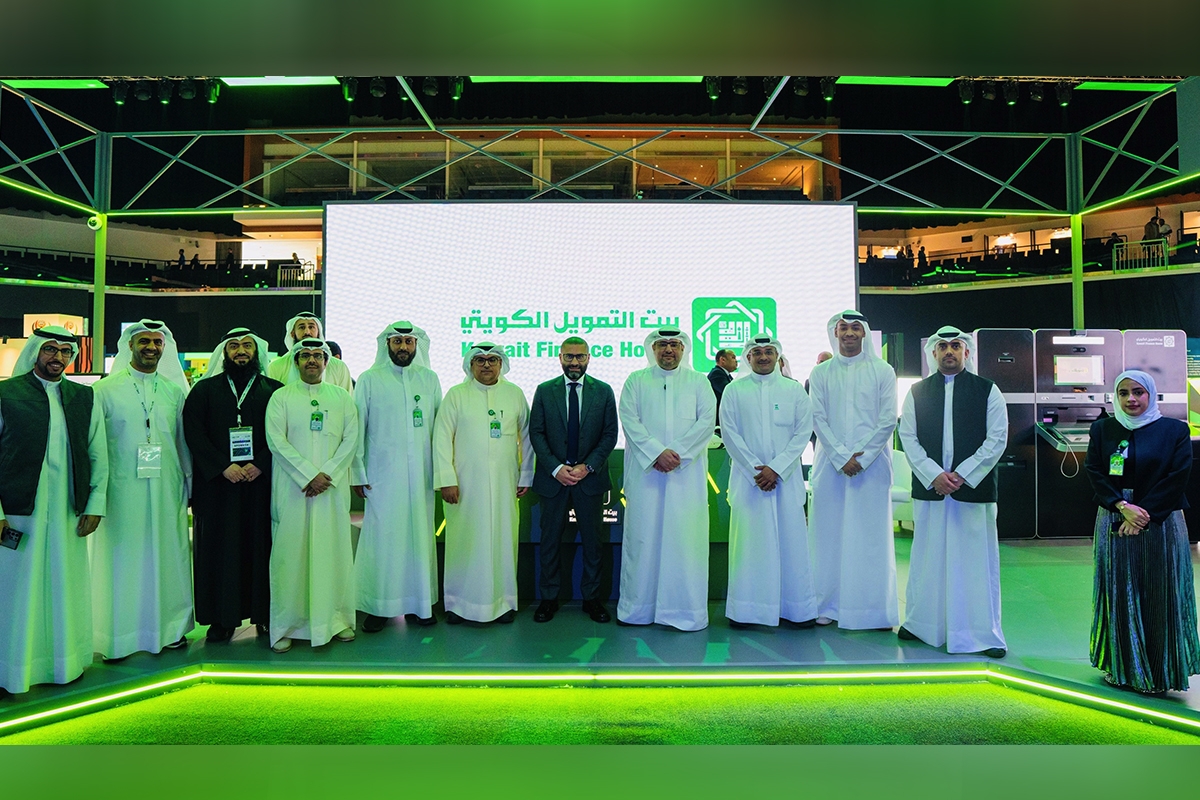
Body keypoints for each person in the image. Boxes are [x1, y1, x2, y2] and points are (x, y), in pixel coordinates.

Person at [0, 326, 107, 695]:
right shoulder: (7, 394)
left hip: (67, 511)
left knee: (66, 584)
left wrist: (94, 505)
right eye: (50, 349)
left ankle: (65, 663)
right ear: (35, 352)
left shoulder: (84, 397)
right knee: (16, 588)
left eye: (65, 351)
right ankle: (13, 669)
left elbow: (98, 454)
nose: (57, 357)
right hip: (18, 512)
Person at [1085, 370, 1200, 694]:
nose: (1131, 399)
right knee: (1118, 588)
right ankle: (1121, 667)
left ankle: (1159, 672)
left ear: (1151, 394)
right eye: (1123, 393)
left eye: (1138, 392)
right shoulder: (1103, 429)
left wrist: (1142, 515)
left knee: (1159, 590)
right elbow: (1095, 470)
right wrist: (1122, 506)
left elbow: (1178, 475)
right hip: (1115, 516)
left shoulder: (1174, 430)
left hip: (1161, 520)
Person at [897, 326, 1008, 658]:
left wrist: (961, 475)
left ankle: (982, 633)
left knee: (975, 562)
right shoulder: (917, 392)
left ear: (966, 352)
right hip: (931, 488)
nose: (949, 351)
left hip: (972, 489)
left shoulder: (987, 390)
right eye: (943, 346)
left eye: (955, 346)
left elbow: (997, 438)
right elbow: (908, 437)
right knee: (928, 557)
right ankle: (922, 624)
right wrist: (934, 475)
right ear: (933, 353)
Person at [91, 320, 194, 660]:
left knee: (167, 557)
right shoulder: (105, 390)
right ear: (130, 346)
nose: (151, 347)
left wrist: (189, 485)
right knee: (123, 559)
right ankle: (118, 637)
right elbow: (96, 445)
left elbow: (183, 444)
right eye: (144, 341)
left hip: (167, 488)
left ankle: (170, 630)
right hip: (121, 490)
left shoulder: (174, 391)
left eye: (157, 342)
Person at [182, 327, 282, 643]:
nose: (241, 351)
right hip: (218, 487)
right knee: (219, 551)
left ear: (257, 352)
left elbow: (283, 435)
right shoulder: (203, 390)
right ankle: (222, 619)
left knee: (261, 548)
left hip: (260, 485)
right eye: (234, 346)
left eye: (247, 346)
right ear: (224, 353)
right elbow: (193, 433)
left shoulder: (275, 391)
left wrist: (260, 463)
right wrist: (223, 467)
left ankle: (264, 615)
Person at [617, 328, 717, 631]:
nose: (669, 350)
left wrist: (678, 455)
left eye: (674, 345)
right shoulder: (636, 381)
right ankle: (638, 609)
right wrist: (656, 453)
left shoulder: (699, 382)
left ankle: (685, 612)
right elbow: (629, 420)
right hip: (647, 475)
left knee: (685, 541)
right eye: (662, 345)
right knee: (643, 539)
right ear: (653, 349)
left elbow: (707, 422)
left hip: (686, 478)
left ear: (683, 349)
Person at [265, 338, 359, 653]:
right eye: (305, 356)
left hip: (330, 491)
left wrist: (326, 474)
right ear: (296, 362)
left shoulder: (342, 397)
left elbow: (351, 439)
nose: (312, 361)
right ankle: (288, 625)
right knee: (291, 556)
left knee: (333, 553)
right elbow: (276, 440)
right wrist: (308, 475)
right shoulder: (281, 397)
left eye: (318, 356)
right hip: (294, 491)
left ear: (326, 362)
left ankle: (337, 620)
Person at [807, 310, 898, 630]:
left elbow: (888, 418)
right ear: (835, 333)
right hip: (830, 466)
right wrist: (840, 456)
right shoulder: (821, 373)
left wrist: (863, 456)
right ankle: (827, 605)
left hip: (871, 468)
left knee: (870, 538)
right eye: (843, 328)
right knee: (828, 536)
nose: (848, 333)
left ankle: (872, 610)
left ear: (864, 333)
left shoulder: (882, 370)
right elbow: (817, 417)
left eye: (855, 328)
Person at [720, 334, 817, 629]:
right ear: (748, 357)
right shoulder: (734, 390)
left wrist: (776, 468)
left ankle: (795, 610)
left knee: (791, 544)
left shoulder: (794, 390)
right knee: (749, 546)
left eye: (769, 352)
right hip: (749, 481)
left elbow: (803, 432)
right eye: (757, 352)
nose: (763, 357)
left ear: (778, 357)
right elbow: (729, 433)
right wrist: (756, 470)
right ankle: (746, 611)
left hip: (785, 480)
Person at [433, 342, 533, 624]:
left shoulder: (514, 394)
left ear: (501, 364)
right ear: (470, 364)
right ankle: (458, 605)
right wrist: (446, 480)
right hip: (464, 486)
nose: (486, 365)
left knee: (503, 541)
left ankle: (503, 603)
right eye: (480, 360)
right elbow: (441, 439)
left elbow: (527, 438)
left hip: (505, 484)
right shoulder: (456, 395)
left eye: (492, 360)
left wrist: (525, 474)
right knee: (464, 542)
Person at [351, 322, 443, 631]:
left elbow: (440, 431)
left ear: (416, 345)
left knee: (419, 539)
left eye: (408, 341)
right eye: (397, 341)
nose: (403, 347)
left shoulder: (429, 379)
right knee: (383, 540)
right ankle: (380, 607)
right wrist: (357, 472)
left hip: (421, 477)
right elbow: (358, 428)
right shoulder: (369, 379)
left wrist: (441, 473)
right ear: (387, 345)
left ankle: (420, 604)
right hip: (381, 476)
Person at [528, 337, 619, 624]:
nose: (575, 362)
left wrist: (587, 467)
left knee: (593, 543)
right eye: (569, 356)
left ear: (589, 358)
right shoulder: (544, 391)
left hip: (589, 480)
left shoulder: (603, 391)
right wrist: (556, 468)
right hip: (553, 480)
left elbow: (610, 435)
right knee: (549, 542)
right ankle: (548, 599)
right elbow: (536, 433)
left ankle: (592, 599)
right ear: (560, 358)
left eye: (580, 356)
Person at [266, 312, 354, 393]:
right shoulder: (276, 367)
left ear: (318, 332)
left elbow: (347, 400)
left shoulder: (338, 367)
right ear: (292, 334)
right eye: (301, 327)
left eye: (311, 327)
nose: (307, 332)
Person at [707, 349, 738, 438]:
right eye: (733, 358)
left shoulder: (726, 375)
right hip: (718, 423)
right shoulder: (717, 374)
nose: (736, 361)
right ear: (723, 360)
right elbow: (729, 392)